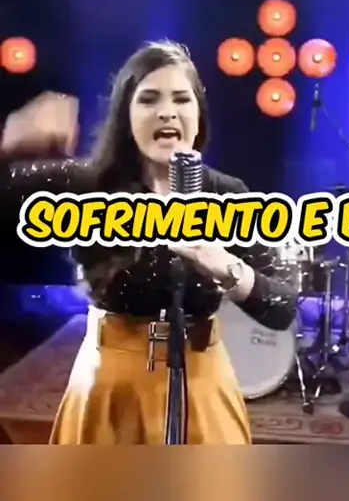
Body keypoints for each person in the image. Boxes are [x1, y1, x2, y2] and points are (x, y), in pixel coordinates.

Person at [0, 40, 298, 444]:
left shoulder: (228, 194)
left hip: (203, 385)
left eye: (181, 99)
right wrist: (9, 143)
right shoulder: (89, 187)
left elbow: (282, 308)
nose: (167, 111)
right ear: (126, 116)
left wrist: (226, 266)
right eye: (149, 99)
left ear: (198, 115)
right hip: (111, 388)